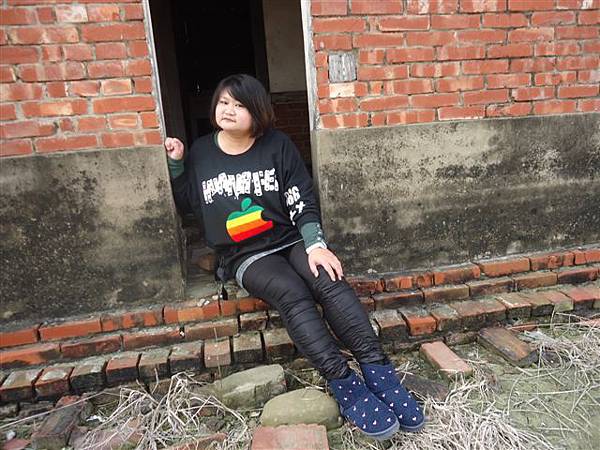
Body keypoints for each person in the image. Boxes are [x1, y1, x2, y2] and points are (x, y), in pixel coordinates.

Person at [164, 74, 424, 440]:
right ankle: (344, 382)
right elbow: (188, 201)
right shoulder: (202, 152)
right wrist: (177, 164)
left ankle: (379, 371)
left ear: (257, 112)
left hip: (288, 238)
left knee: (328, 279)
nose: (228, 110)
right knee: (291, 292)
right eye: (223, 102)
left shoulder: (277, 145)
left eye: (239, 105)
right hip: (243, 254)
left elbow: (301, 197)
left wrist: (315, 244)